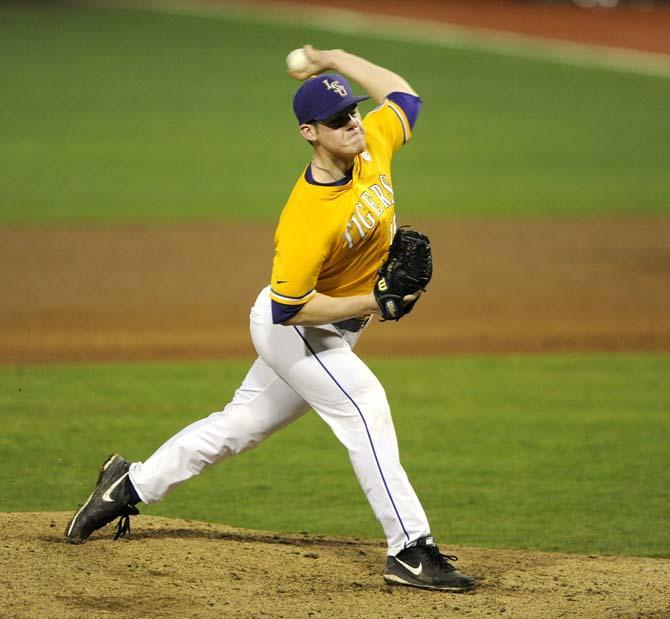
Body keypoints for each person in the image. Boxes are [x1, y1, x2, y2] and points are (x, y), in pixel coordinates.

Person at [65, 45, 475, 593]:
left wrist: (334, 58)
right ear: (309, 133)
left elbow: (404, 95)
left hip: (330, 328)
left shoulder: (373, 141)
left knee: (240, 427)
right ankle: (410, 550)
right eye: (336, 121)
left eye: (352, 112)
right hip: (295, 329)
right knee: (364, 406)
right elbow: (289, 307)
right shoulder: (307, 215)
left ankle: (129, 484)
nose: (353, 124)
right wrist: (375, 302)